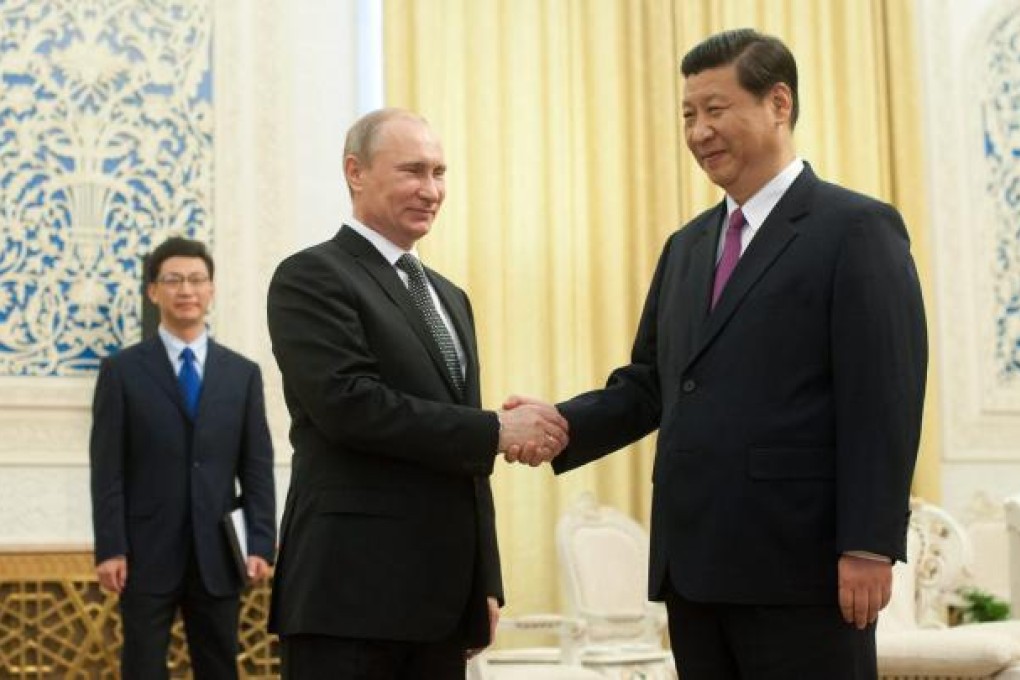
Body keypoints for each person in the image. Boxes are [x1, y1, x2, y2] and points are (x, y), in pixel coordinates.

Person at [506, 28, 927, 679]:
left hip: (802, 565)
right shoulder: (687, 246)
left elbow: (885, 398)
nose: (699, 131)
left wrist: (870, 543)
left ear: (778, 104)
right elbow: (650, 384)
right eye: (688, 115)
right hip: (695, 567)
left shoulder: (855, 229)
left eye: (715, 109)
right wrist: (563, 424)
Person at [265, 107, 568, 679]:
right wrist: (499, 430)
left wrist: (486, 580)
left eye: (440, 172)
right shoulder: (312, 276)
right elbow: (350, 406)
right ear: (355, 172)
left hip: (441, 602)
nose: (431, 190)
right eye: (413, 171)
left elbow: (465, 462)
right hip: (349, 597)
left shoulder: (450, 297)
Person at [90, 236, 277, 680]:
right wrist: (111, 546)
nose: (186, 290)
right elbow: (107, 469)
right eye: (173, 280)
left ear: (211, 290)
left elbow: (256, 468)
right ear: (153, 291)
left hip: (218, 553)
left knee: (219, 667)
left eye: (196, 280)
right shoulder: (121, 372)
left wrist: (261, 541)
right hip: (143, 554)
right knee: (142, 668)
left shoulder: (242, 374)